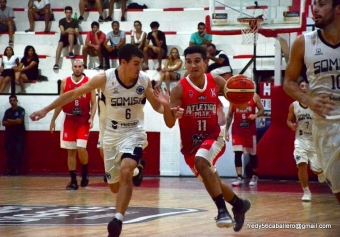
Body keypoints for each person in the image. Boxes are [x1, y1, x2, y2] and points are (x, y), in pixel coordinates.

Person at [30, 44, 160, 236]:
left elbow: (159, 106)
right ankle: (136, 170)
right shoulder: (104, 79)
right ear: (123, 63)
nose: (140, 68)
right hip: (109, 135)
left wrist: (169, 108)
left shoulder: (143, 80)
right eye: (136, 63)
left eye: (141, 63)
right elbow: (72, 94)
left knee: (126, 169)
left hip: (133, 132)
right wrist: (45, 110)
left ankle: (117, 220)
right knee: (114, 187)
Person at [153, 46, 251, 232]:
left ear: (206, 63)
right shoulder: (180, 89)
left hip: (214, 135)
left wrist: (242, 97)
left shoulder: (216, 80)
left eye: (197, 61)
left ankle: (222, 211)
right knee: (212, 179)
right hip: (190, 145)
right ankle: (239, 205)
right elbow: (169, 123)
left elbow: (242, 104)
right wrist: (168, 108)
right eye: (189, 62)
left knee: (201, 161)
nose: (193, 65)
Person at [283, 0, 340, 204]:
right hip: (324, 127)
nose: (314, 9)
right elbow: (288, 82)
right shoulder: (303, 42)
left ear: (337, 9)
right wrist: (308, 100)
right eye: (313, 4)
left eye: (322, 4)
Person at [49, 60, 96, 190]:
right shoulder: (65, 82)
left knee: (81, 147)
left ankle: (85, 172)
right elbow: (60, 102)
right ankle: (73, 181)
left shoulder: (89, 81)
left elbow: (94, 102)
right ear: (72, 68)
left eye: (79, 66)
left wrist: (92, 117)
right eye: (75, 66)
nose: (77, 69)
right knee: (71, 151)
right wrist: (53, 119)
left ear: (83, 67)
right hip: (69, 119)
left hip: (83, 120)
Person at [287, 79, 324, 201]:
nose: (303, 88)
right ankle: (306, 191)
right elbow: (288, 120)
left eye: (305, 86)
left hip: (314, 141)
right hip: (300, 140)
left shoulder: (316, 104)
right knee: (301, 164)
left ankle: (321, 172)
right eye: (301, 85)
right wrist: (291, 125)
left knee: (317, 170)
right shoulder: (294, 105)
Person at [225, 92, 264, 186]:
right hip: (237, 130)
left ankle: (254, 175)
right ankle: (239, 177)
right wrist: (226, 130)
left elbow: (261, 110)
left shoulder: (254, 96)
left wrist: (255, 115)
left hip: (249, 130)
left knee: (252, 153)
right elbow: (230, 115)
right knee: (237, 153)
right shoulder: (233, 97)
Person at [2, 95, 25, 175]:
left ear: (16, 100)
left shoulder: (21, 110)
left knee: (18, 152)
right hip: (9, 135)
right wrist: (14, 121)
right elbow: (4, 123)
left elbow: (19, 121)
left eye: (13, 100)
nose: (12, 102)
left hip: (19, 135)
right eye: (10, 100)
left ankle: (17, 169)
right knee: (10, 152)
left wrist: (10, 121)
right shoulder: (7, 111)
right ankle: (10, 169)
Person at [53, 6, 79, 70]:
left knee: (71, 33)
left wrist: (73, 31)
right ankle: (56, 63)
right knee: (60, 45)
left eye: (70, 12)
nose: (68, 14)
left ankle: (70, 51)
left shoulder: (75, 21)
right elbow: (62, 32)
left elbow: (77, 33)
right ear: (65, 13)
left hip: (72, 38)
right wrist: (67, 30)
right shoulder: (61, 21)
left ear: (72, 13)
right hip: (64, 38)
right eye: (67, 12)